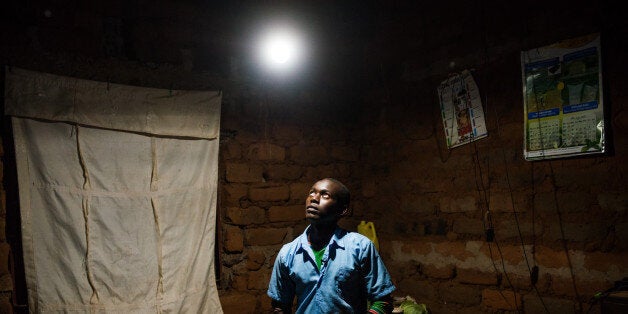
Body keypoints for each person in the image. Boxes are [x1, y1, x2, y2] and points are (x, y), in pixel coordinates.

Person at [267, 178, 396, 313]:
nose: (314, 199)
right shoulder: (288, 253)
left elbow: (383, 301)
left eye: (325, 195)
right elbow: (279, 306)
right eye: (311, 193)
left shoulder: (360, 247)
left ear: (343, 210)